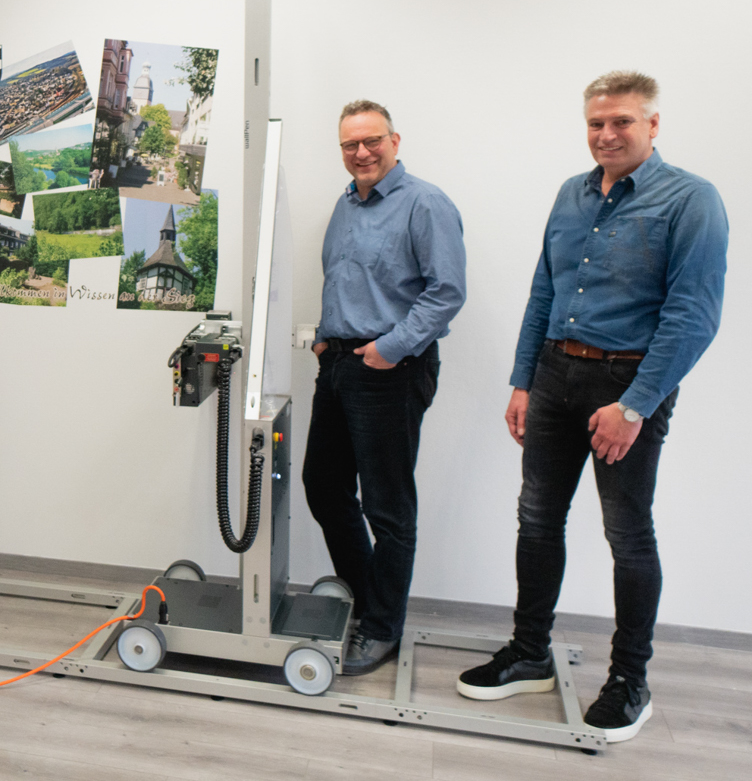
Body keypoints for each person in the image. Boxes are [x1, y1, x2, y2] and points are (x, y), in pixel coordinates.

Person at [457, 71, 728, 742]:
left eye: (622, 123)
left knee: (627, 533)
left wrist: (633, 406)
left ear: (653, 125)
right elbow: (543, 293)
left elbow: (693, 316)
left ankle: (629, 680)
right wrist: (523, 381)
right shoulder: (570, 195)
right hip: (555, 374)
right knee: (537, 517)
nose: (606, 135)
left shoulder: (691, 200)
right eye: (596, 124)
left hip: (628, 385)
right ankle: (528, 655)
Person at [302, 100, 467, 674]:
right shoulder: (346, 204)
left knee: (388, 507)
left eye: (371, 141)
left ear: (395, 140)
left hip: (391, 370)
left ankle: (381, 628)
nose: (362, 153)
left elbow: (446, 292)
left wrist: (387, 349)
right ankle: (369, 601)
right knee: (322, 485)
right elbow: (344, 279)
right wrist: (327, 338)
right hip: (341, 366)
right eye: (350, 145)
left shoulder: (425, 203)